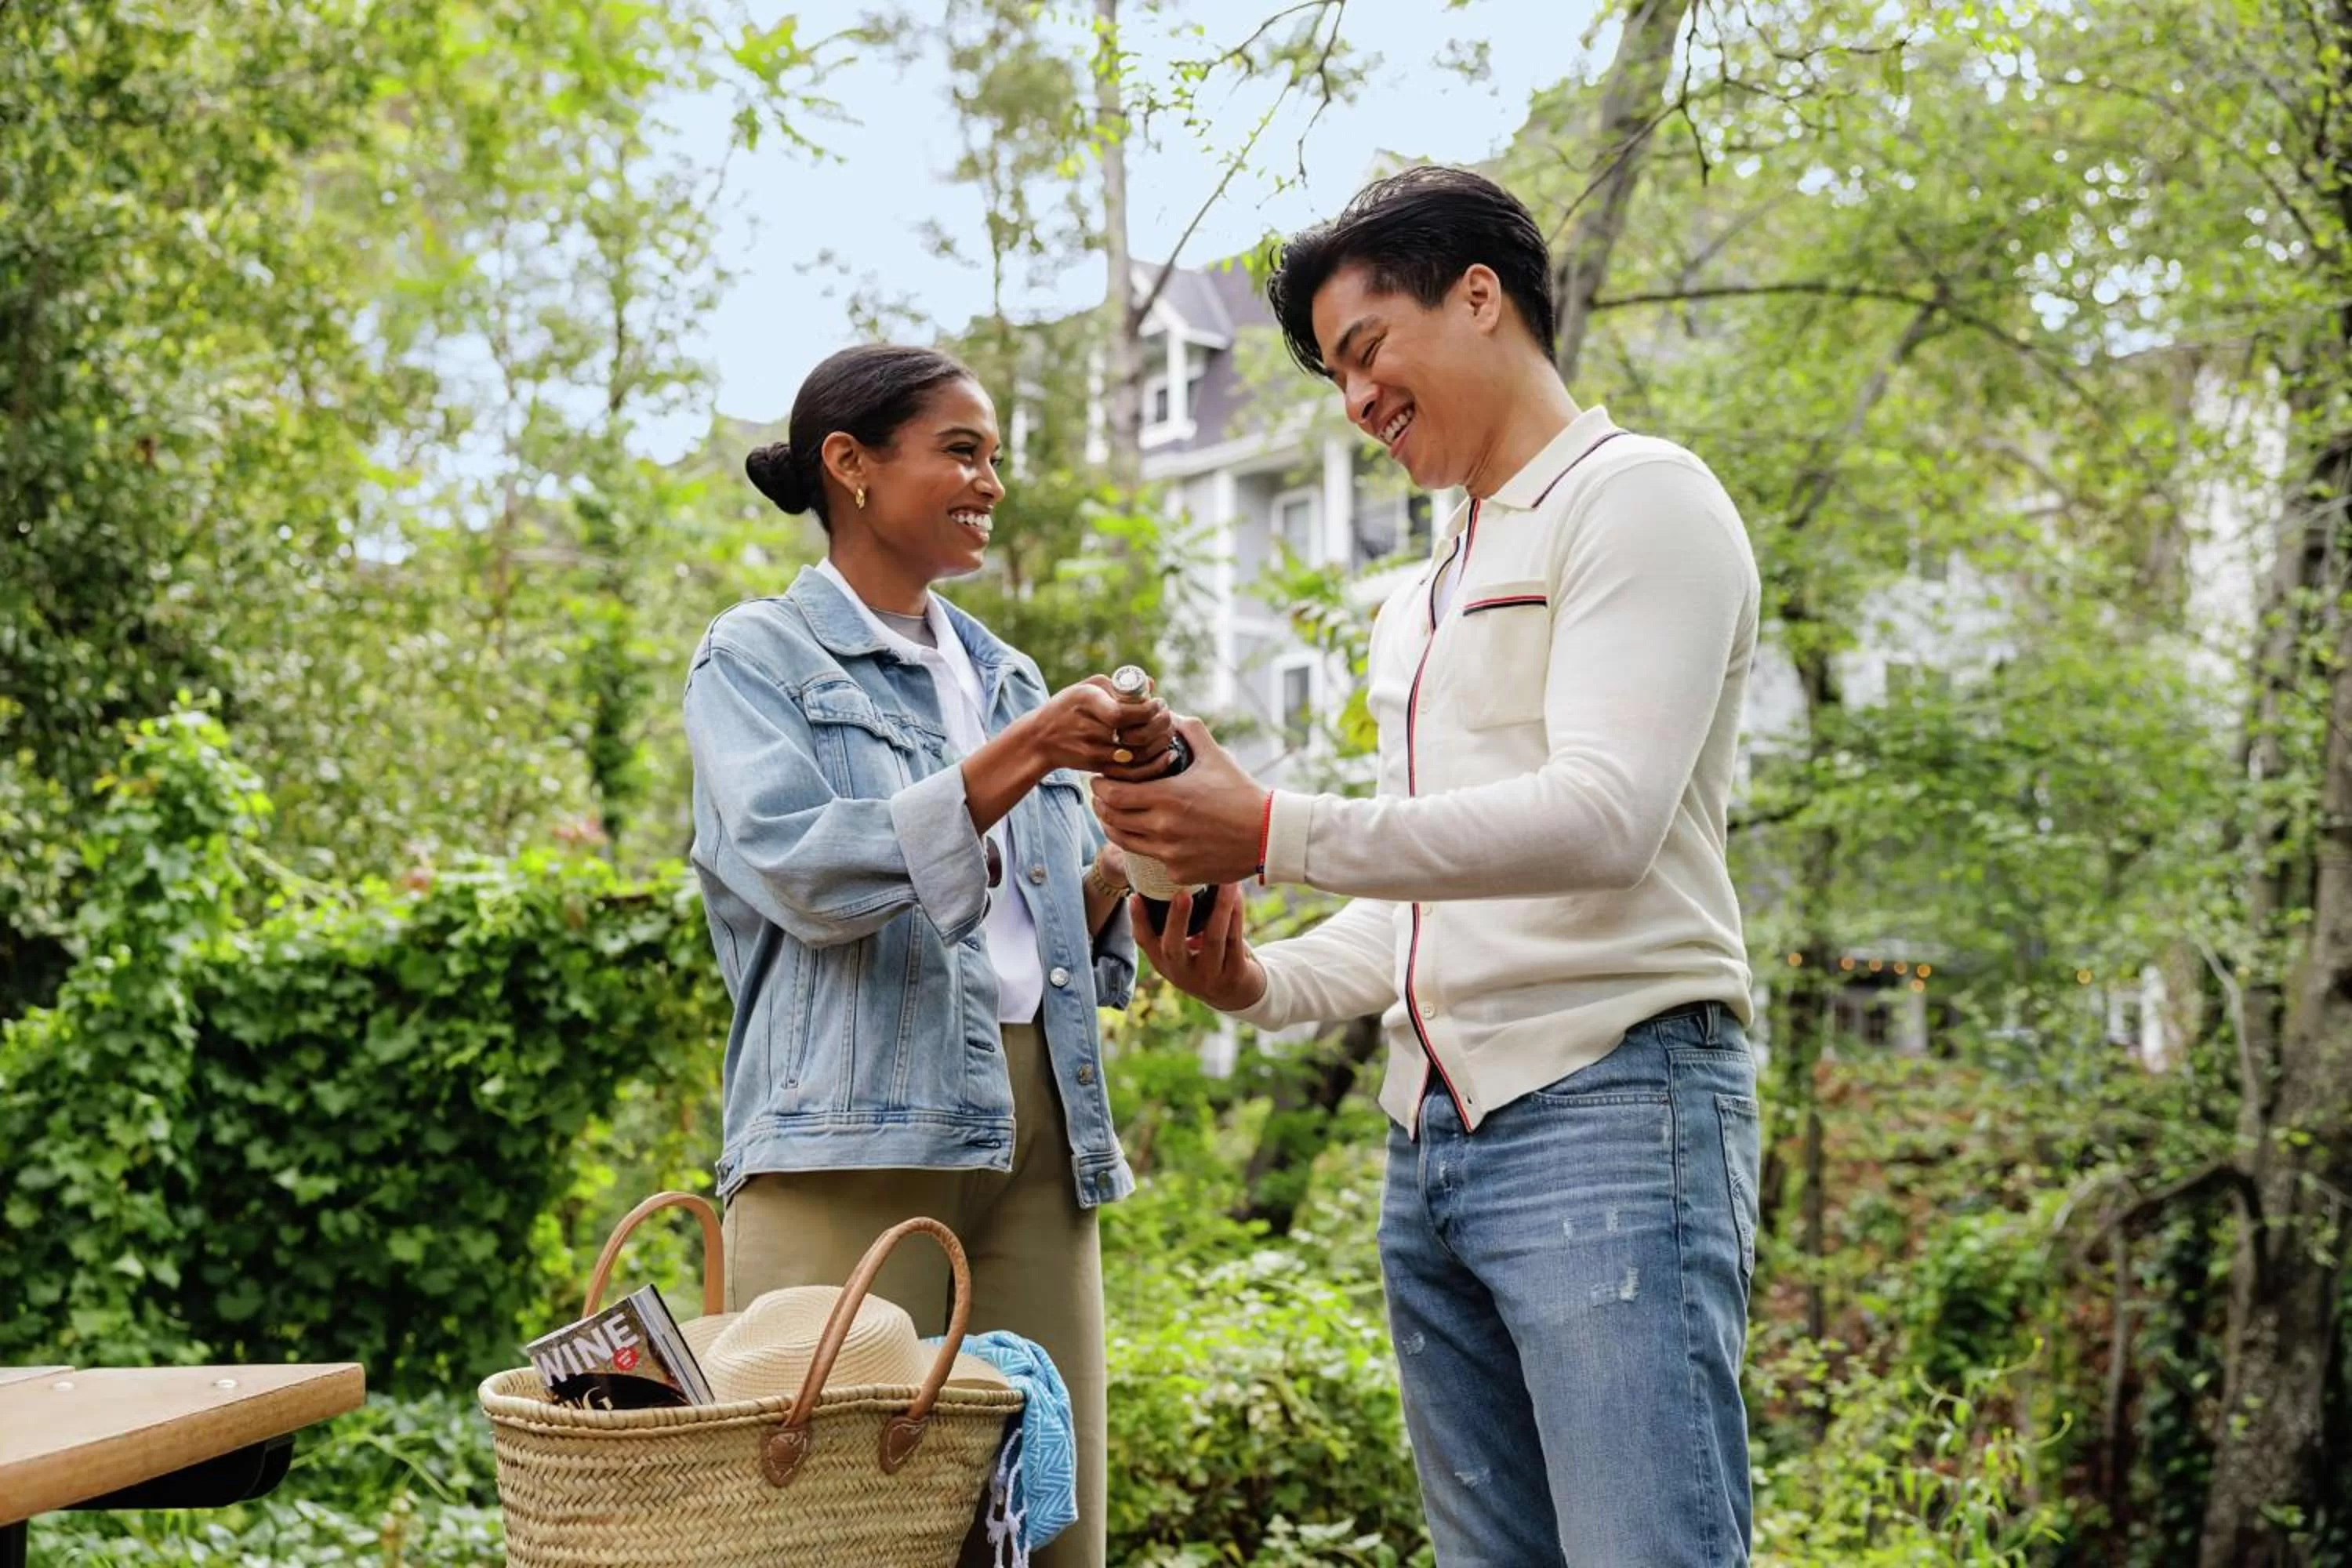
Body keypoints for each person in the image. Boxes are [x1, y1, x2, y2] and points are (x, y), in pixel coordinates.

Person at [1091, 167, 1765, 1567]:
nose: (1356, 402)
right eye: (1335, 376)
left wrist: (1267, 830)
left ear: (1480, 297)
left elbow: (1601, 822)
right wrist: (1254, 979)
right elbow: (1424, 906)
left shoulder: (1641, 499)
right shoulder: (1426, 587)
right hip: (1431, 1147)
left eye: (1365, 351)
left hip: (1615, 1105)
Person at [683, 343, 1172, 1568]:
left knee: (1046, 1532)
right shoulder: (757, 659)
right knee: (823, 1531)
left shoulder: (1003, 672)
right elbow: (804, 869)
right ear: (849, 465)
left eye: (995, 456)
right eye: (962, 451)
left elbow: (1052, 920)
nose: (990, 482)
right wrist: (1031, 751)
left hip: (1039, 1133)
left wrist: (1147, 851)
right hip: (851, 1132)